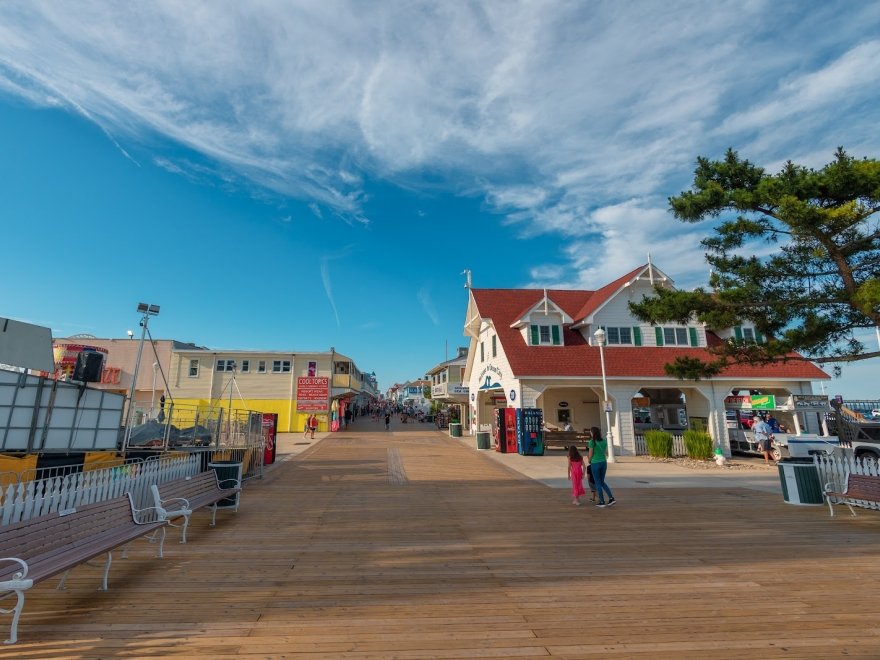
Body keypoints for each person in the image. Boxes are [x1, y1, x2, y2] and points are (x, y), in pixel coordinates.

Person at [587, 426, 616, 507]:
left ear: (593, 433)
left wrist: (589, 460)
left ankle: (602, 501)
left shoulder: (591, 442)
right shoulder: (604, 441)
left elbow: (590, 454)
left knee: (597, 483)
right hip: (603, 462)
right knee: (602, 481)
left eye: (590, 432)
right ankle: (611, 498)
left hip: (595, 463)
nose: (590, 433)